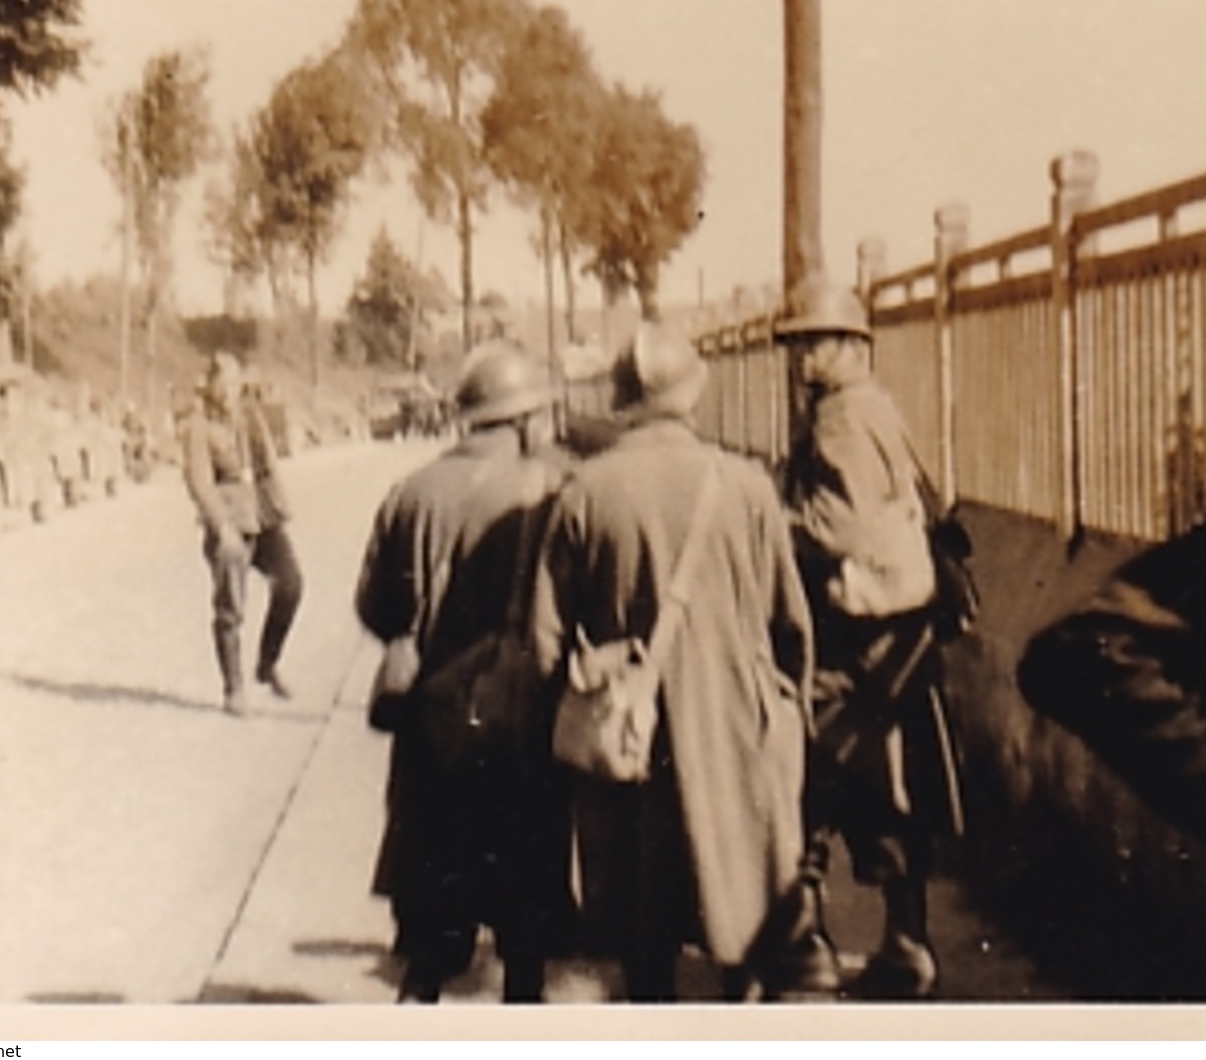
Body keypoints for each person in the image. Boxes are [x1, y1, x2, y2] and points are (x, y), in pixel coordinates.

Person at [529, 321, 815, 1002]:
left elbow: (544, 639)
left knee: (642, 925)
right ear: (691, 396)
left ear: (622, 402)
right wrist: (788, 715)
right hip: (735, 726)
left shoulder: (584, 493)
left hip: (630, 737)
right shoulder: (746, 486)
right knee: (741, 900)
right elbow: (791, 624)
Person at [355, 342, 572, 1004]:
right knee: (525, 915)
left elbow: (376, 606)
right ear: (526, 419)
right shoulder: (553, 489)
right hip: (522, 721)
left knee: (433, 898)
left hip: (433, 722)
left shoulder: (411, 491)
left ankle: (419, 999)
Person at [775, 275, 966, 999]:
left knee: (807, 777)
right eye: (797, 343)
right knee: (892, 785)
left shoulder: (839, 419)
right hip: (899, 631)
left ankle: (810, 947)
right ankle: (904, 945)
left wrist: (775, 519)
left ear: (853, 344)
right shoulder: (874, 405)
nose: (802, 356)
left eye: (814, 342)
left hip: (853, 628)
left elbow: (841, 526)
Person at [182, 351, 303, 716]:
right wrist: (221, 528)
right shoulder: (198, 427)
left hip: (263, 517)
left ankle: (267, 664)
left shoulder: (250, 417)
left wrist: (279, 508)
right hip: (231, 522)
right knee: (231, 608)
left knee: (291, 584)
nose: (231, 391)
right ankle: (234, 688)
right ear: (211, 387)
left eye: (236, 384)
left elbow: (269, 464)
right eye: (225, 384)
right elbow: (200, 482)